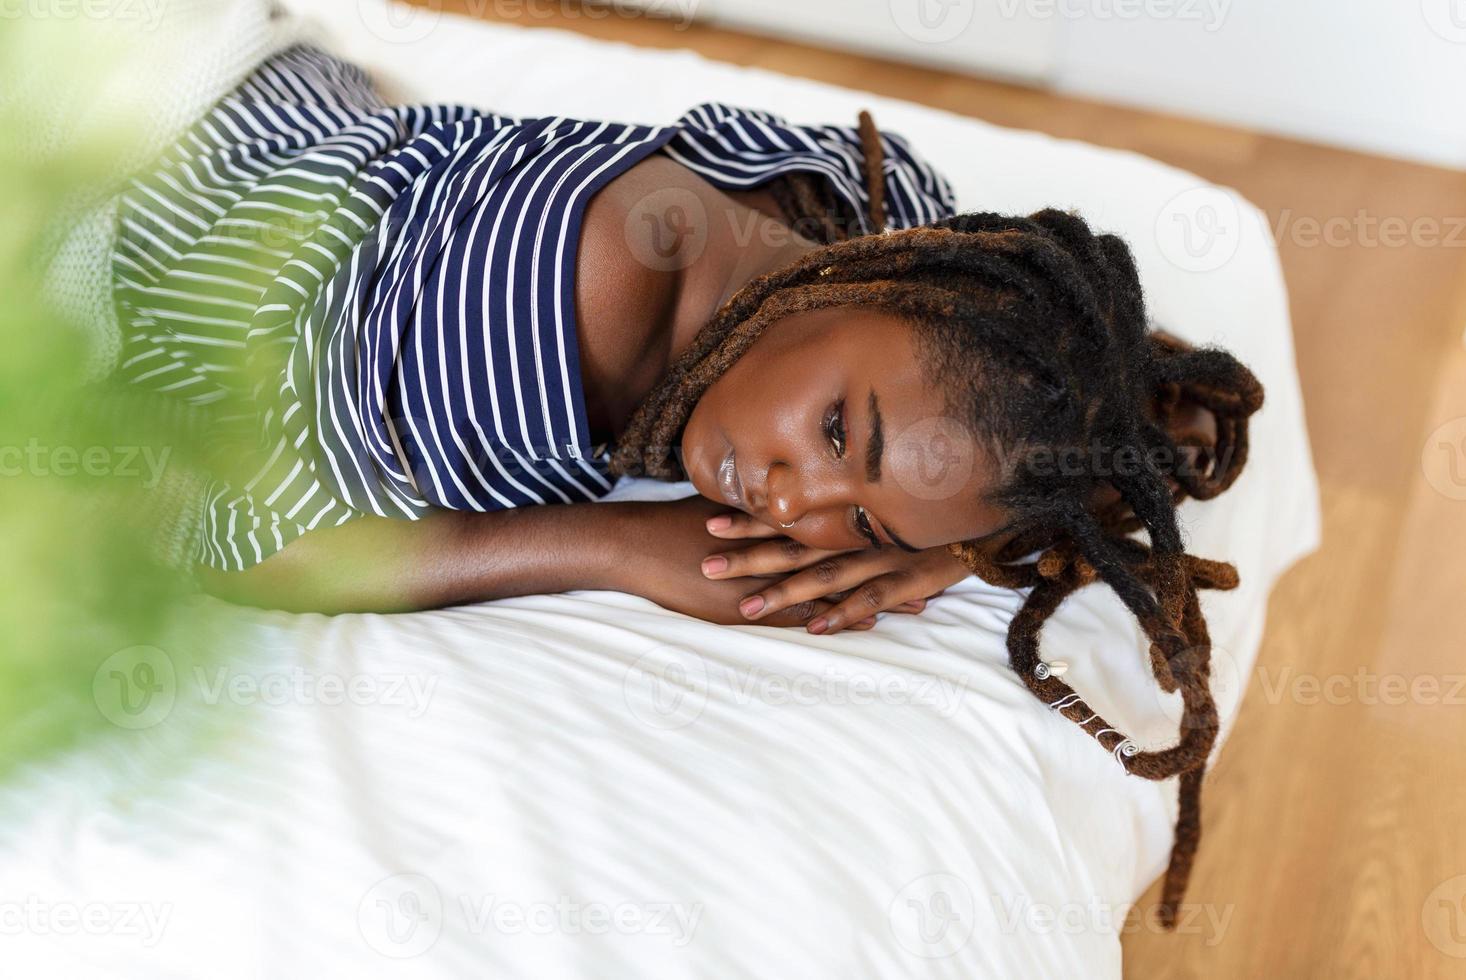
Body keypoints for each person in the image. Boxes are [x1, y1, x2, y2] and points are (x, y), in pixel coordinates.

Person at [113, 45, 1263, 922]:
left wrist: (951, 537)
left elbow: (985, 373)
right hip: (144, 164)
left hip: (301, 100)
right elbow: (227, 535)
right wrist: (616, 546)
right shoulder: (555, 320)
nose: (787, 499)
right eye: (832, 430)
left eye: (856, 517)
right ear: (845, 283)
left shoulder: (874, 207)